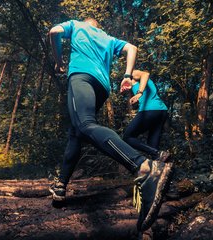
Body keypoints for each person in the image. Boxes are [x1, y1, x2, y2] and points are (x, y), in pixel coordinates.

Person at [48, 18, 171, 231]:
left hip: (82, 77)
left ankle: (143, 166)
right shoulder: (107, 38)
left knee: (85, 124)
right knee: (77, 132)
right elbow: (132, 48)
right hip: (102, 87)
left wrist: (58, 61)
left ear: (87, 23)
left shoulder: (77, 25)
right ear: (98, 26)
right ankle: (61, 185)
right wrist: (125, 75)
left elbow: (53, 31)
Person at [121, 69, 169, 161]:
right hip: (161, 110)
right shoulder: (137, 83)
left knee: (128, 137)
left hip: (150, 109)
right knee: (152, 146)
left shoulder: (133, 73)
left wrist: (139, 93)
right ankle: (158, 169)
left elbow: (146, 74)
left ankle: (157, 154)